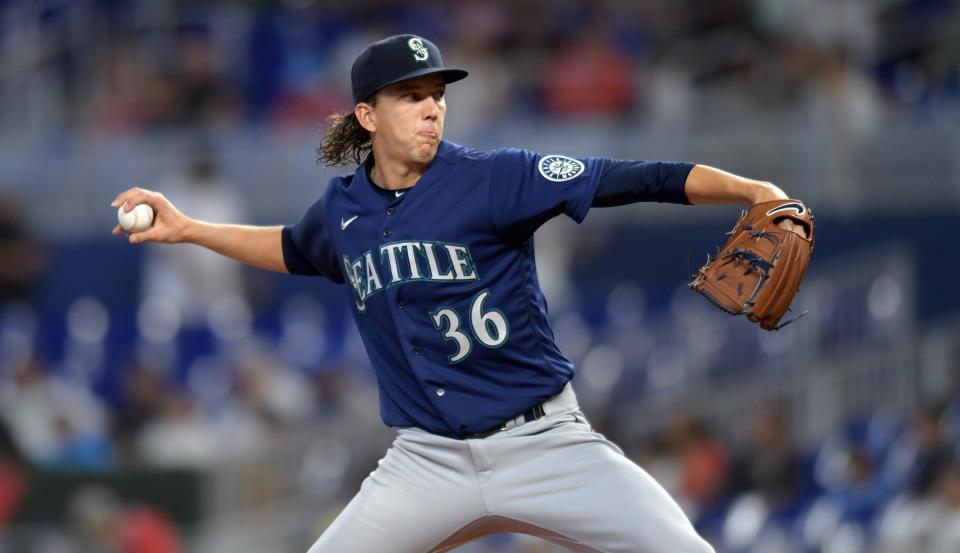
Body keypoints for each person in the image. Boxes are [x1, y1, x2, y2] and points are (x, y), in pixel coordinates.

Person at [112, 34, 807, 553]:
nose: (432, 108)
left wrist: (751, 190)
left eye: (438, 94)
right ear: (366, 114)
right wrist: (190, 228)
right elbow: (295, 248)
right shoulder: (343, 208)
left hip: (545, 442)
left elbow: (639, 176)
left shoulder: (495, 177)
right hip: (427, 460)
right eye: (411, 95)